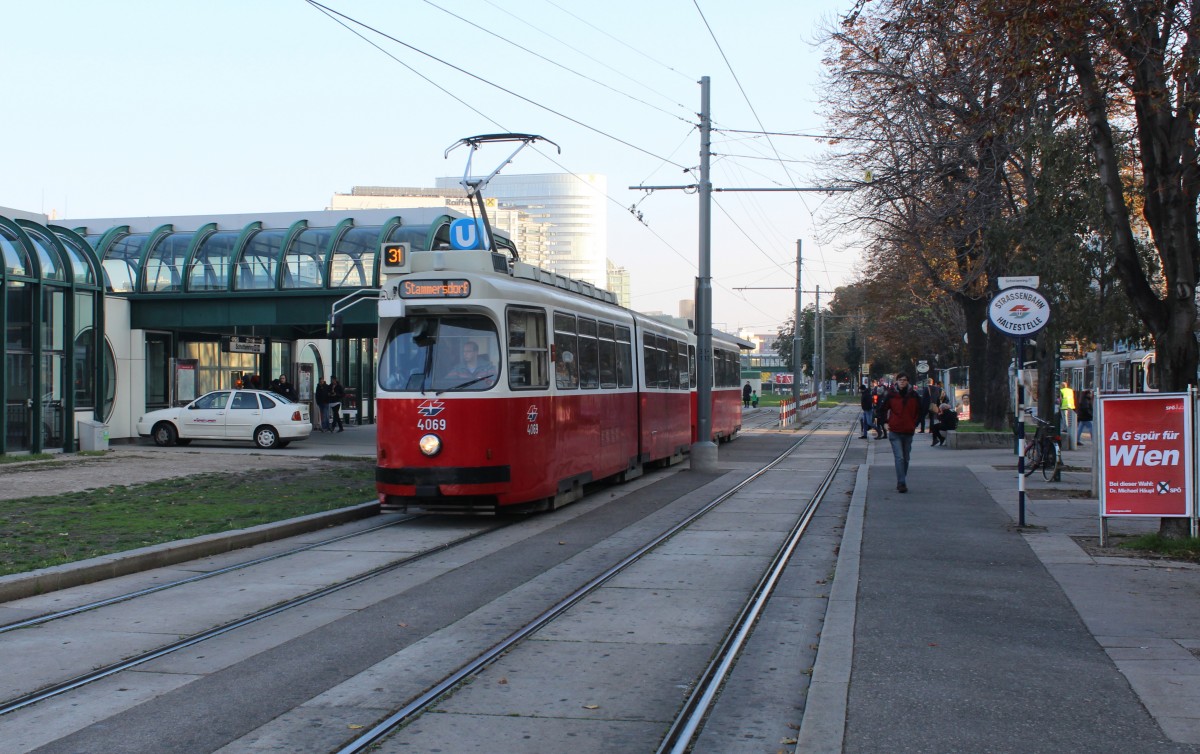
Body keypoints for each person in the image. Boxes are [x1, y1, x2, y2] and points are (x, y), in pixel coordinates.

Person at [879, 373, 923, 493]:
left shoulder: (914, 395)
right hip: (895, 430)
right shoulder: (891, 394)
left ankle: (902, 479)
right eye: (900, 380)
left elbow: (921, 410)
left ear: (908, 382)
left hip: (908, 430)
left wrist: (915, 423)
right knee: (899, 457)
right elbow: (882, 409)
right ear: (896, 381)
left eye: (904, 380)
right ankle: (901, 482)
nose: (902, 382)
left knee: (906, 458)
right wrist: (885, 423)